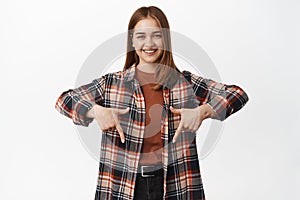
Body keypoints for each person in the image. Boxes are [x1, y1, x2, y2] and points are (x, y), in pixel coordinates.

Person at [54, 6, 249, 200]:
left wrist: (203, 112)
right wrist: (94, 111)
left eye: (156, 35)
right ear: (132, 40)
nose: (149, 43)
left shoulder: (185, 83)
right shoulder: (112, 84)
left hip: (176, 185)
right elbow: (64, 100)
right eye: (141, 36)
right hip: (122, 185)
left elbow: (237, 94)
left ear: (165, 39)